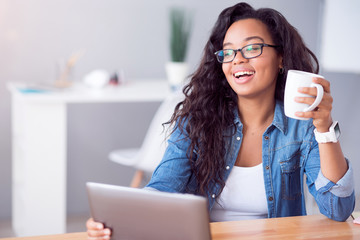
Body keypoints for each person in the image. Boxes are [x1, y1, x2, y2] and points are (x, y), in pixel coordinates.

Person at [86, 2, 355, 239]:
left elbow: (338, 208)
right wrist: (118, 216)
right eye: (228, 52)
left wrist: (324, 128)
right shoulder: (197, 121)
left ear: (280, 57)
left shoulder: (302, 125)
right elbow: (163, 188)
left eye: (252, 48)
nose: (237, 59)